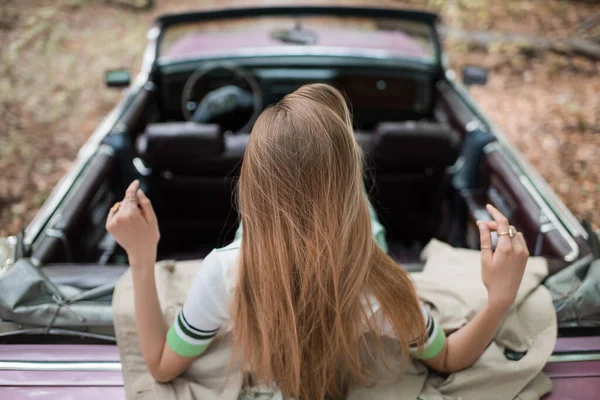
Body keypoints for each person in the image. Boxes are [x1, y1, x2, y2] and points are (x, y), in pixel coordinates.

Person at [106, 83, 529, 400]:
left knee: (305, 198)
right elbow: (450, 358)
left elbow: (161, 366)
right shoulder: (383, 287)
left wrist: (141, 259)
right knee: (331, 180)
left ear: (250, 184)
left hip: (273, 241)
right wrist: (499, 298)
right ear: (351, 189)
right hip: (360, 247)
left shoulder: (223, 272)